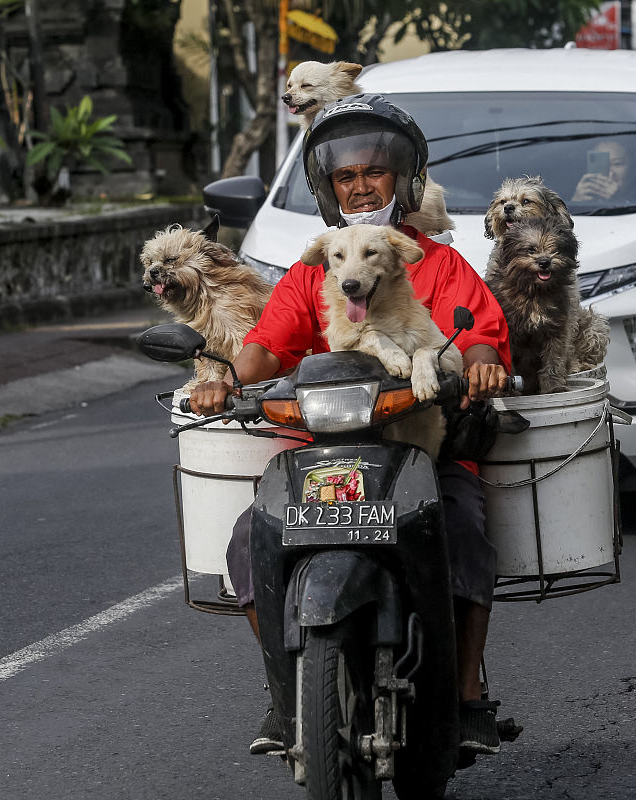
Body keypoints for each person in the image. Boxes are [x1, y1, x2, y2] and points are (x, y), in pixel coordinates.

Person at [186, 93, 514, 757]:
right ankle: (287, 694)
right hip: (324, 452)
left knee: (463, 527)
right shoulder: (319, 269)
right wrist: (222, 375)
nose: (361, 187)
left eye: (376, 172)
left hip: (422, 445)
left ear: (405, 180)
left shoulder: (435, 262)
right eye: (346, 177)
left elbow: (477, 332)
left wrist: (480, 366)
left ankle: (467, 692)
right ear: (330, 189)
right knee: (252, 536)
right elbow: (267, 347)